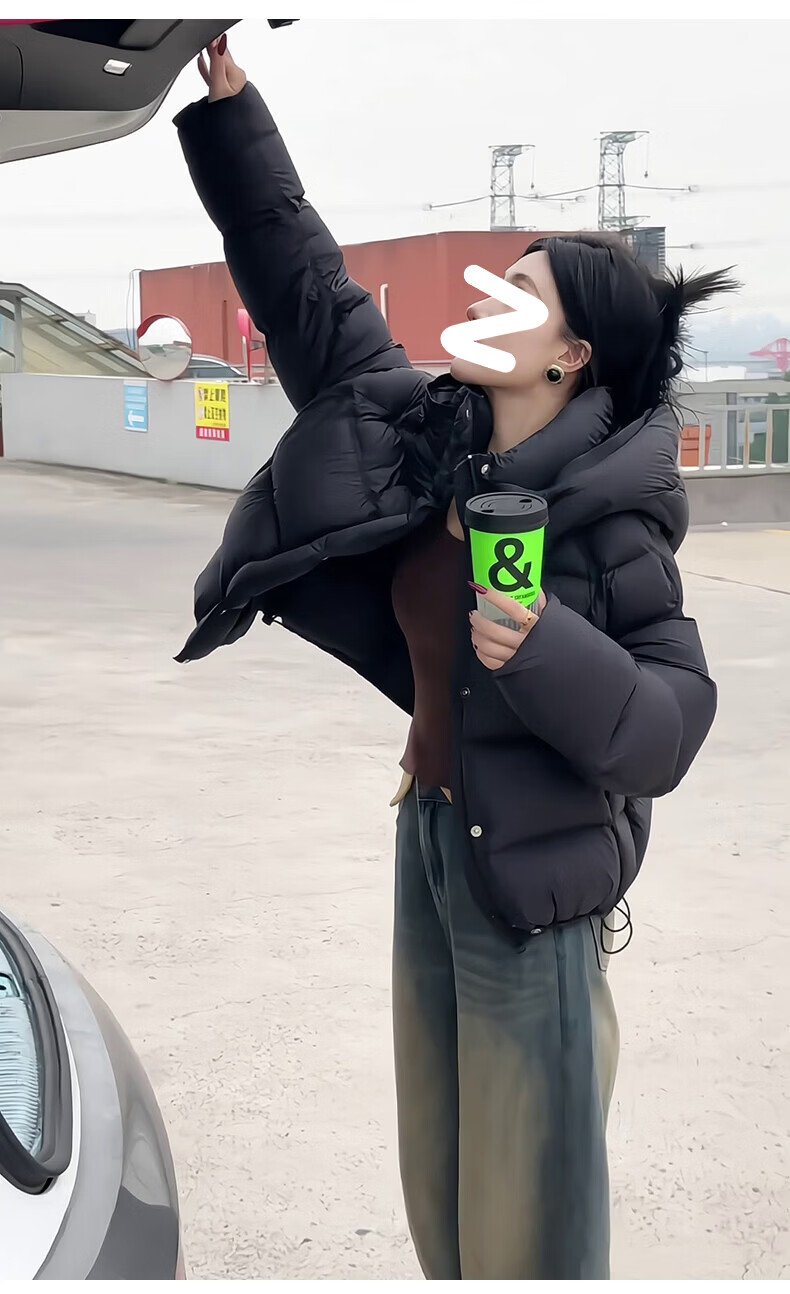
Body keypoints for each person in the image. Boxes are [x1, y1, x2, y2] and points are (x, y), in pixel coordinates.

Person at [174, 39, 736, 1281]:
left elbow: (669, 724)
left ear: (568, 355)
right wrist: (233, 112)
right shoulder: (424, 437)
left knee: (529, 1214)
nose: (482, 301)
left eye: (515, 293)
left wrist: (542, 646)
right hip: (431, 836)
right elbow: (305, 287)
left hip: (533, 882)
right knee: (439, 1173)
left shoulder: (612, 514)